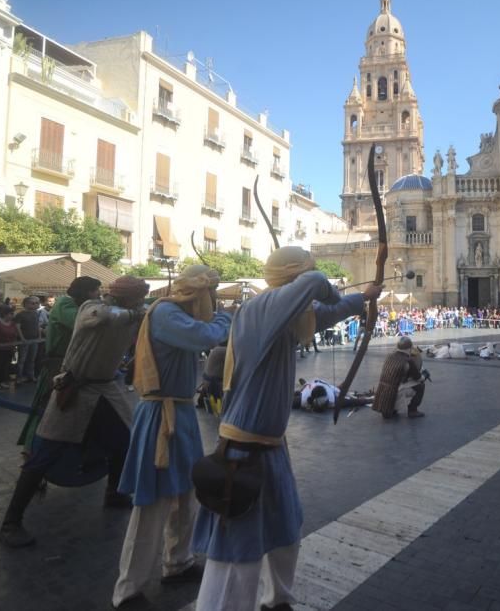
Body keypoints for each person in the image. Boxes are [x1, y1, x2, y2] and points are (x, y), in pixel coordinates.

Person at [191, 246, 379, 611]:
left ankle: (277, 600)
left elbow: (324, 313)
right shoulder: (261, 309)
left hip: (270, 446)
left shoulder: (282, 316)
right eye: (304, 272)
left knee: (285, 528)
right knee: (236, 553)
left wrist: (362, 298)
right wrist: (325, 283)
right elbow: (316, 286)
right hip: (243, 452)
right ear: (294, 277)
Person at [0, 276, 149, 548]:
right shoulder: (92, 307)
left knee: (124, 439)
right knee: (44, 454)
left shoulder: (131, 313)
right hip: (76, 388)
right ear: (127, 297)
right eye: (138, 297)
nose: (141, 302)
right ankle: (10, 523)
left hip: (105, 388)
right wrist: (137, 312)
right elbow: (102, 316)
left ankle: (114, 493)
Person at [112, 266, 232, 609]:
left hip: (180, 414)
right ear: (198, 293)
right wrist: (226, 317)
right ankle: (127, 590)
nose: (213, 301)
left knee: (185, 494)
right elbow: (206, 336)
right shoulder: (165, 312)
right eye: (211, 294)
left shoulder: (178, 313)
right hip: (160, 417)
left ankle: (177, 562)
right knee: (152, 503)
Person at [17, 277, 102, 453]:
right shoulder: (65, 303)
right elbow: (80, 322)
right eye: (95, 290)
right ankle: (31, 450)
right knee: (47, 406)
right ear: (86, 291)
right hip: (57, 363)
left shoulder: (80, 305)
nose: (98, 294)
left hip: (75, 364)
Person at [371, 337, 426, 418]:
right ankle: (412, 410)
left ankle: (392, 409)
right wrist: (425, 376)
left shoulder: (389, 356)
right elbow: (419, 378)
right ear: (410, 348)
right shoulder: (408, 361)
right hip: (394, 391)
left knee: (396, 383)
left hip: (382, 392)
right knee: (421, 385)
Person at [0, 305, 22, 390]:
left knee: (6, 366)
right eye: (11, 314)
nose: (12, 315)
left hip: (9, 348)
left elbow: (15, 335)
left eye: (12, 314)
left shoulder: (13, 324)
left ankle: (4, 381)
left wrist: (14, 347)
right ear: (5, 314)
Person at [14, 296, 43, 384]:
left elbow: (38, 326)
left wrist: (39, 336)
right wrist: (22, 338)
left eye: (37, 303)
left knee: (32, 359)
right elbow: (17, 327)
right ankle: (19, 377)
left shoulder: (36, 313)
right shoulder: (20, 314)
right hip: (24, 340)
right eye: (33, 303)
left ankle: (30, 375)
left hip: (34, 339)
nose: (35, 305)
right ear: (26, 304)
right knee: (22, 359)